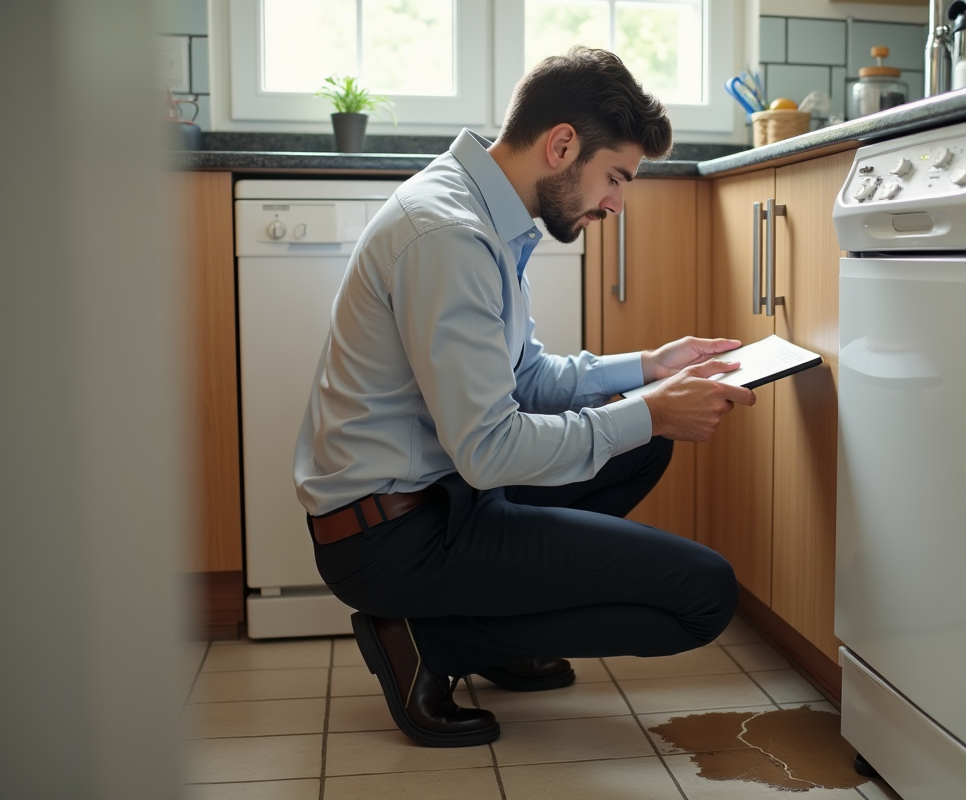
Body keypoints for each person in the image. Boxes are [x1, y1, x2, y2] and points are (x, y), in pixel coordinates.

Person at [294, 47, 755, 749]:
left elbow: (528, 379)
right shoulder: (449, 234)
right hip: (393, 536)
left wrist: (648, 370)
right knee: (705, 595)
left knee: (642, 442)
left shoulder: (487, 214)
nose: (615, 203)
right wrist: (653, 408)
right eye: (616, 178)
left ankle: (487, 630)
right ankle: (434, 640)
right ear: (562, 144)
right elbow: (490, 449)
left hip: (443, 495)